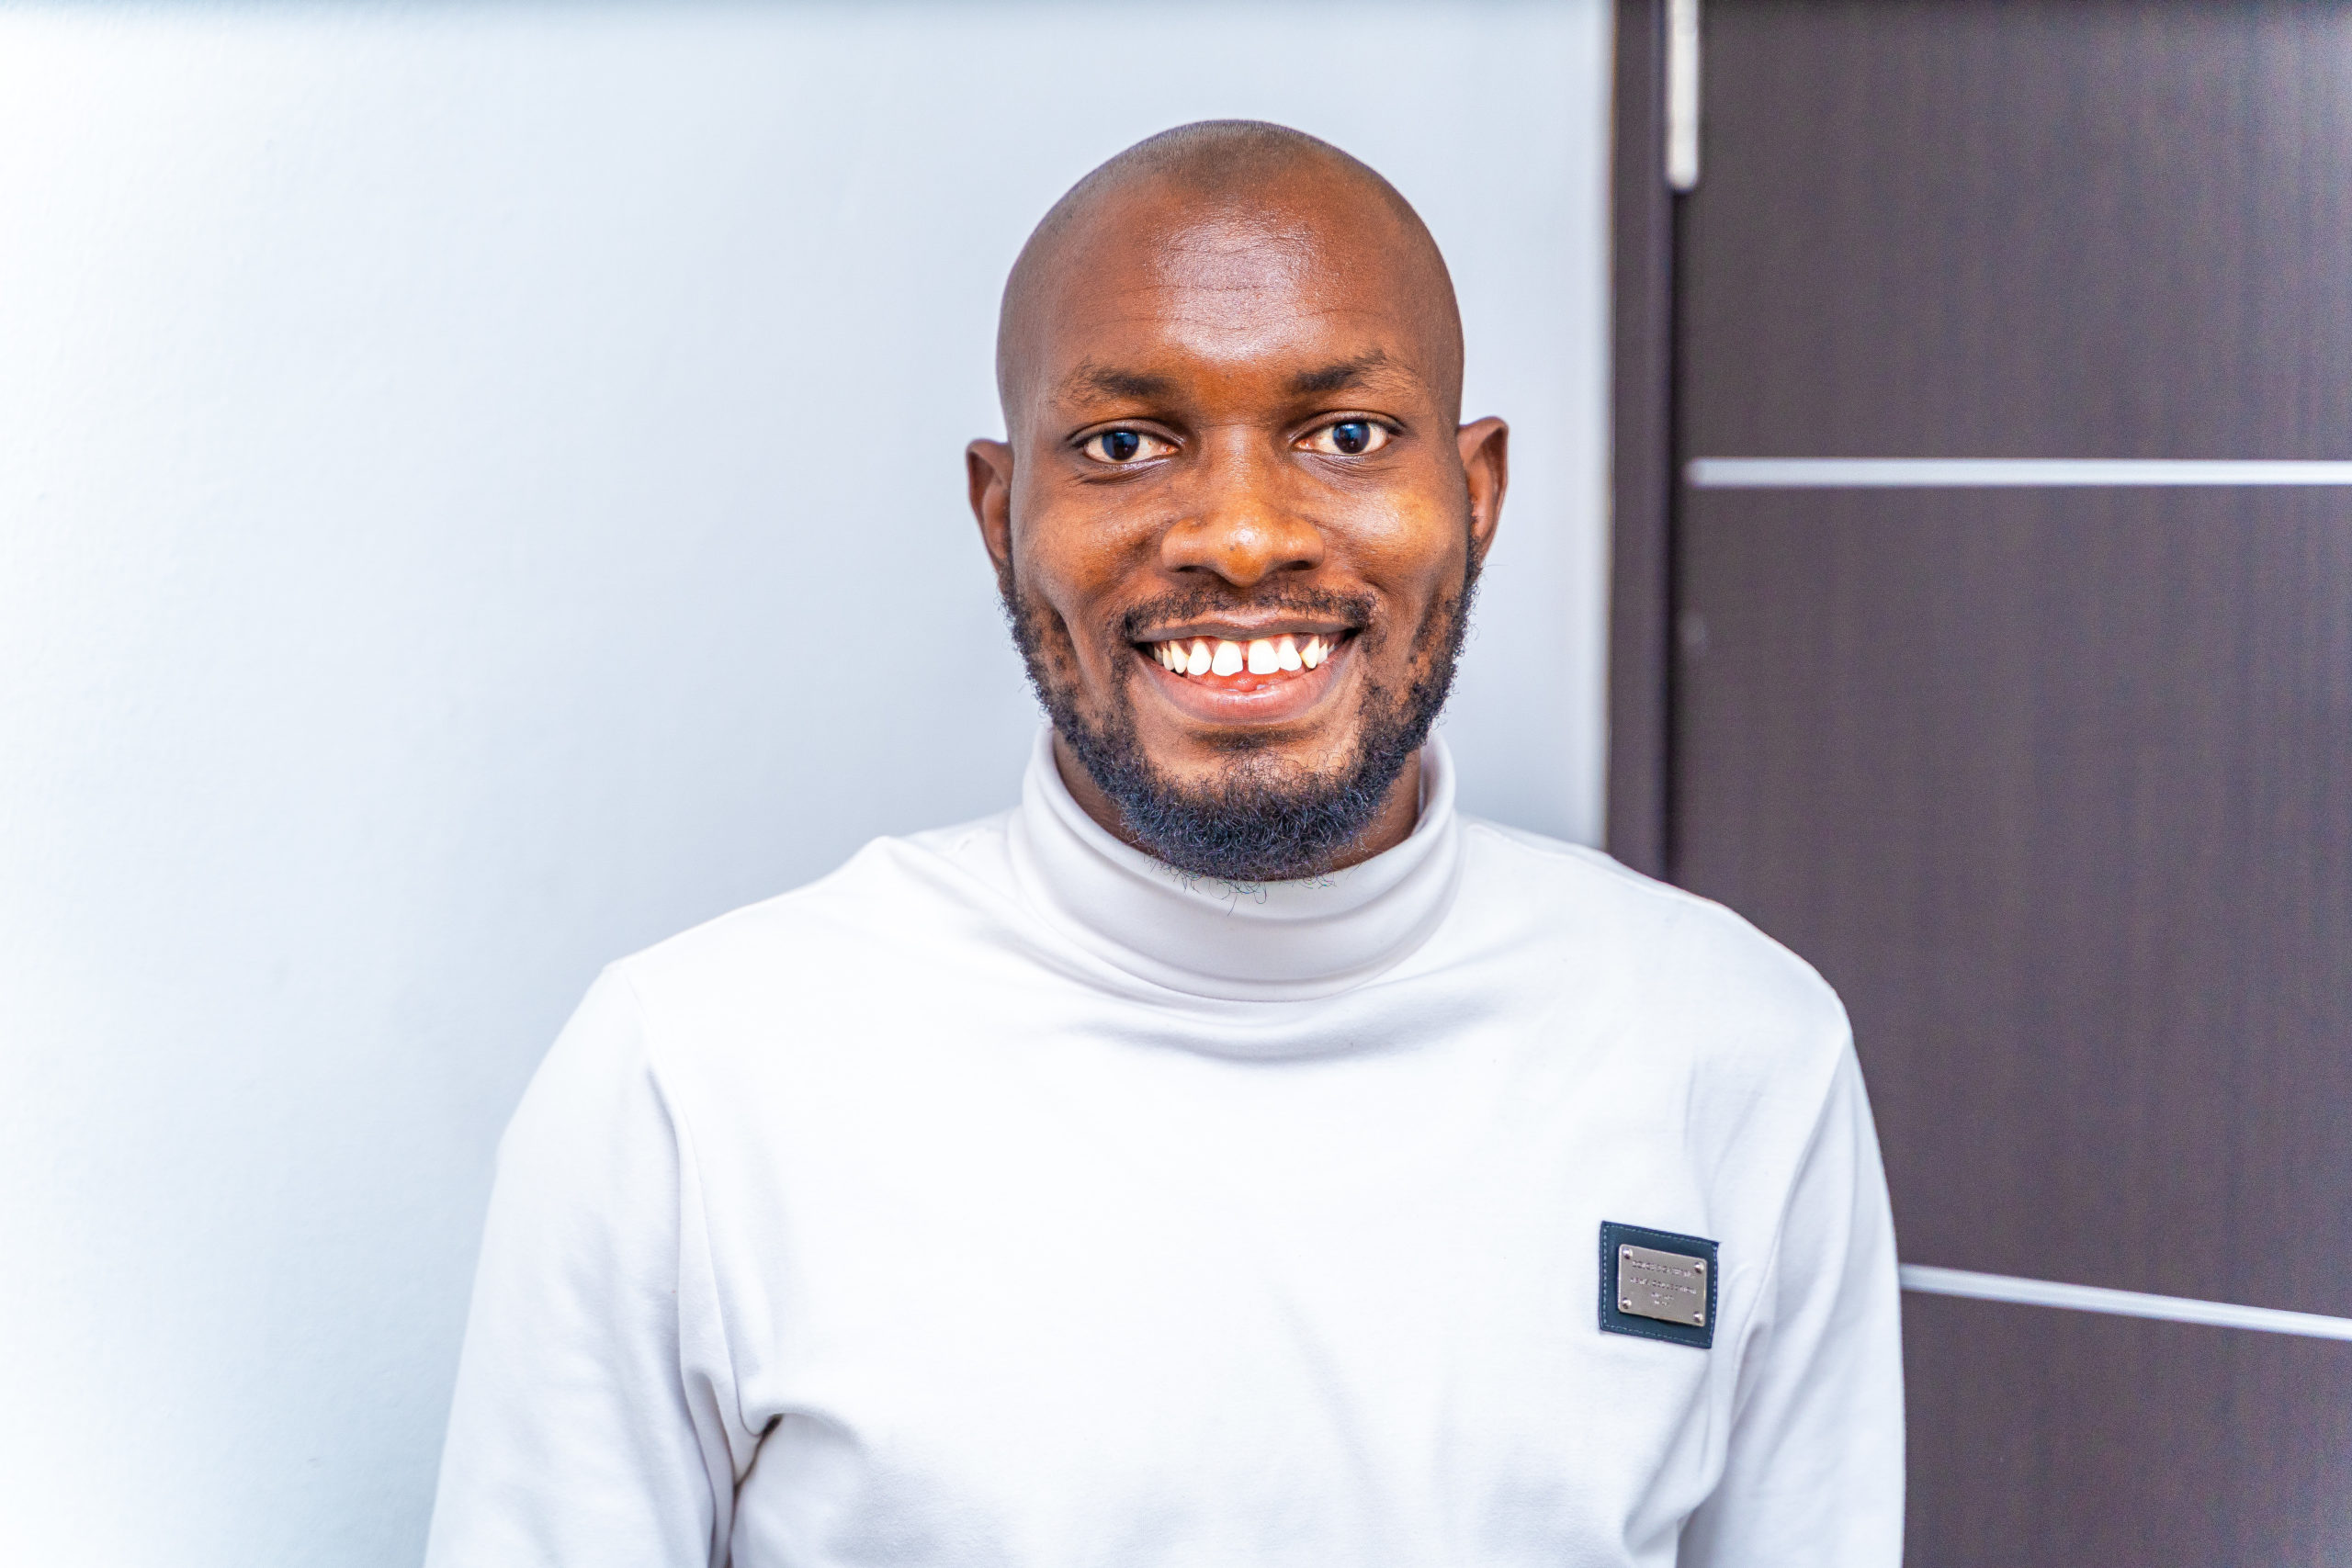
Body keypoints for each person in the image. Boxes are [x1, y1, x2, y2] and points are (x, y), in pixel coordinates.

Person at [423, 120, 1903, 1568]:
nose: (1243, 537)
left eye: (1345, 435)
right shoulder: (692, 1080)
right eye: (1124, 444)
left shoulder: (1734, 1054)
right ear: (1003, 513)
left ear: (1476, 493)